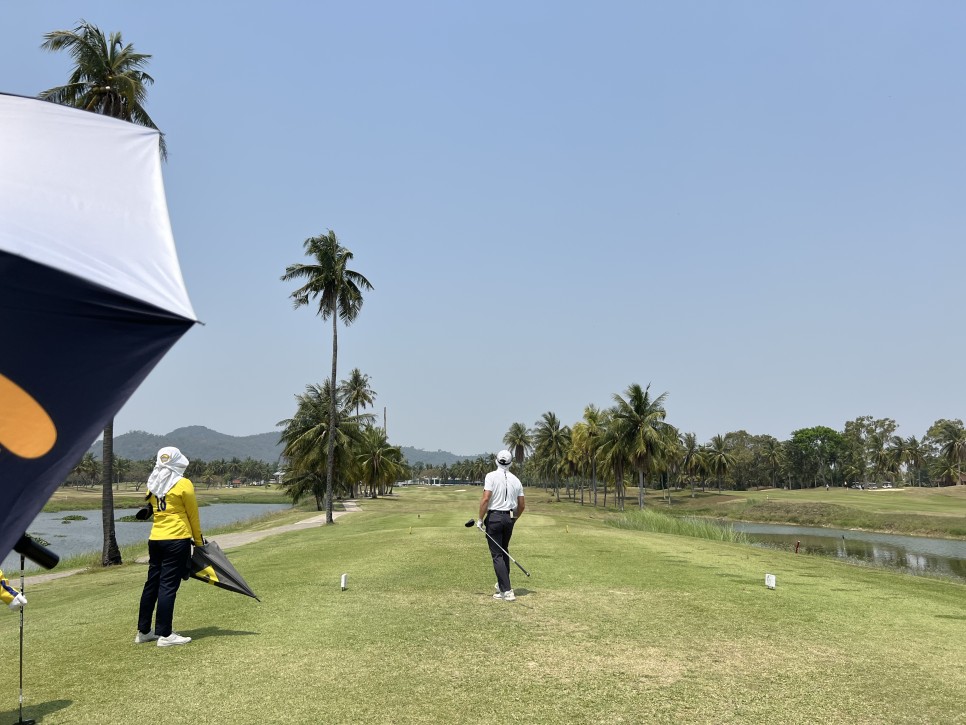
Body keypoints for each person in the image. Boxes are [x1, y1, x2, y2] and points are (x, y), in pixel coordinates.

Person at [135, 447, 204, 647]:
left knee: (152, 584)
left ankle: (144, 631)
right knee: (168, 586)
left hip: (155, 540)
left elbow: (152, 508)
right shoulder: (183, 484)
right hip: (177, 539)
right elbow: (193, 516)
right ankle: (165, 634)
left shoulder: (153, 483)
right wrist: (199, 543)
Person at [478, 450, 525, 602]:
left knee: (497, 554)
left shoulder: (490, 476)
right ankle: (502, 585)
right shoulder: (516, 480)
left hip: (494, 518)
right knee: (504, 551)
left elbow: (486, 499)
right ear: (511, 463)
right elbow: (522, 505)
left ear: (496, 461)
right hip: (509, 518)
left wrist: (480, 519)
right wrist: (513, 519)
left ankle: (507, 590)